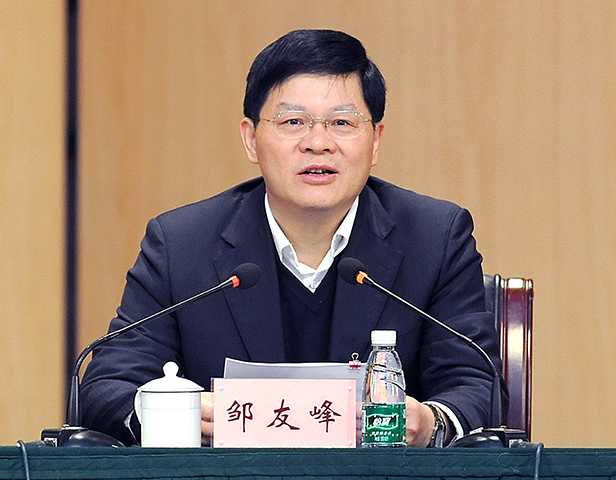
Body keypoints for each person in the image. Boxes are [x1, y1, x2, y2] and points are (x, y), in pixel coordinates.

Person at [80, 29, 504, 448]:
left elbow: (477, 385)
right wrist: (176, 414)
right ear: (251, 139)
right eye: (293, 122)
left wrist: (429, 424)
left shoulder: (434, 238)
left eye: (342, 122)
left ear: (375, 141)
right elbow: (107, 387)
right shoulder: (181, 245)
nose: (318, 143)